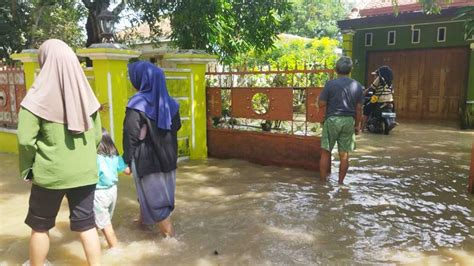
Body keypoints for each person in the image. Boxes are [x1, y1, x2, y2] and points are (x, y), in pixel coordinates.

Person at [17, 39, 102, 265]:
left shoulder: (35, 99)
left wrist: (28, 169)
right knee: (86, 224)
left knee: (40, 225)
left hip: (50, 175)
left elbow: (25, 140)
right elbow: (96, 137)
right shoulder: (87, 97)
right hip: (85, 173)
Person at [123, 61, 181, 238]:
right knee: (156, 194)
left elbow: (130, 134)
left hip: (148, 160)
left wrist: (126, 161)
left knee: (158, 204)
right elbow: (176, 126)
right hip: (169, 158)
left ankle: (171, 241)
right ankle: (143, 224)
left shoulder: (137, 103)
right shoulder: (171, 103)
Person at [318, 56, 364, 184]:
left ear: (336, 70)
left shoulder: (330, 84)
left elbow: (321, 103)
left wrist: (319, 101)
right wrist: (357, 125)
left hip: (332, 120)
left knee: (326, 152)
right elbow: (359, 109)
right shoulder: (357, 86)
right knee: (344, 155)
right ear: (350, 70)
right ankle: (340, 183)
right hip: (349, 121)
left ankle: (322, 183)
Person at [94, 128, 130, 249]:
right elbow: (127, 171)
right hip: (112, 192)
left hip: (98, 194)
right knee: (103, 220)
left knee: (105, 225)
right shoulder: (114, 156)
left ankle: (115, 248)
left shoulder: (95, 158)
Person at [362, 65, 395, 130]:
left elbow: (371, 88)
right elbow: (392, 92)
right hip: (390, 101)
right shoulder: (390, 82)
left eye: (375, 75)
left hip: (380, 101)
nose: (375, 76)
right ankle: (392, 121)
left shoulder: (379, 78)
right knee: (393, 110)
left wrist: (363, 93)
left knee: (366, 109)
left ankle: (362, 127)